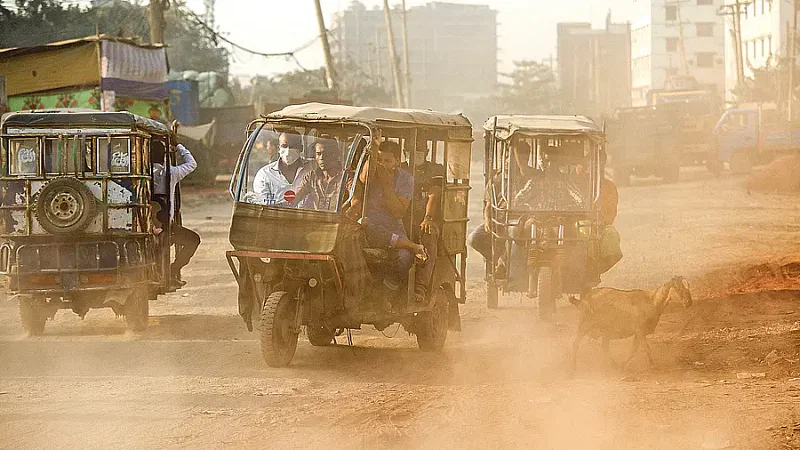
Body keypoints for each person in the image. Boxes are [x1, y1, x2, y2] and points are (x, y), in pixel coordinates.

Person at [347, 140, 425, 301]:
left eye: (387, 161)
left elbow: (398, 212)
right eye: (379, 160)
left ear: (397, 161)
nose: (382, 164)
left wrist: (386, 183)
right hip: (368, 223)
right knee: (366, 223)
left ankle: (386, 293)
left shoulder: (406, 179)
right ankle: (411, 246)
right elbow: (364, 179)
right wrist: (374, 152)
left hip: (392, 224)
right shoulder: (369, 173)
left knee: (405, 257)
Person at [467, 140, 532, 274]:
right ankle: (497, 259)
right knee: (473, 239)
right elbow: (489, 204)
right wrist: (487, 220)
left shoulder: (527, 176)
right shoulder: (497, 179)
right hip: (499, 218)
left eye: (513, 157)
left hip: (519, 219)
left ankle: (504, 263)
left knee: (513, 232)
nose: (509, 161)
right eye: (506, 157)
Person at [151, 140, 200, 288]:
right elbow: (192, 164)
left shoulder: (142, 173)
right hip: (166, 226)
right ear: (164, 156)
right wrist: (179, 146)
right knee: (193, 240)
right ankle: (173, 270)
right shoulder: (171, 172)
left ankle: (165, 273)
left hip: (146, 222)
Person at [400, 140, 445, 302]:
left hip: (426, 219)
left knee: (428, 234)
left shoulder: (435, 170)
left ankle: (421, 286)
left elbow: (434, 194)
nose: (414, 154)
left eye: (419, 150)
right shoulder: (400, 169)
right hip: (402, 217)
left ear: (426, 152)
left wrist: (428, 218)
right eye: (410, 150)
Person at [252, 131, 314, 206]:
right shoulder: (264, 175)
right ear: (279, 148)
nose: (288, 150)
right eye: (284, 146)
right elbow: (263, 207)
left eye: (293, 146)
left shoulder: (313, 167)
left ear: (301, 148)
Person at [293, 139, 345, 211]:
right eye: (318, 154)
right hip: (316, 220)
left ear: (335, 155)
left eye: (326, 154)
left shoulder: (346, 177)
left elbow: (356, 205)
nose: (321, 158)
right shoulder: (311, 177)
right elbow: (295, 198)